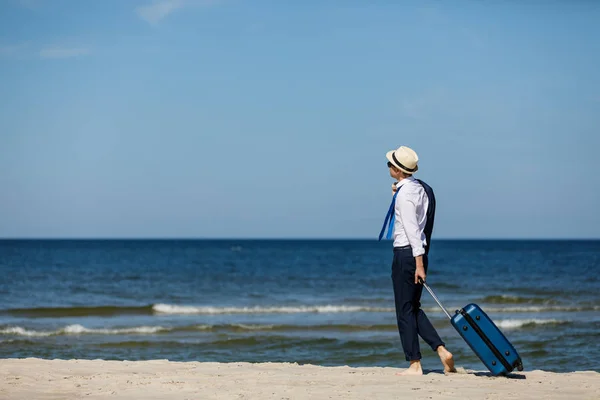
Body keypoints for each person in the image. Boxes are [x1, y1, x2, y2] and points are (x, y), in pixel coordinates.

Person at [379, 145, 456, 376]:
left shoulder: (405, 195)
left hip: (407, 254)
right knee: (413, 308)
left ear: (399, 170)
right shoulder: (421, 189)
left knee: (404, 311)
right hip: (418, 253)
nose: (388, 166)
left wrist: (418, 265)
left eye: (390, 164)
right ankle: (441, 350)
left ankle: (414, 363)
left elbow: (412, 230)